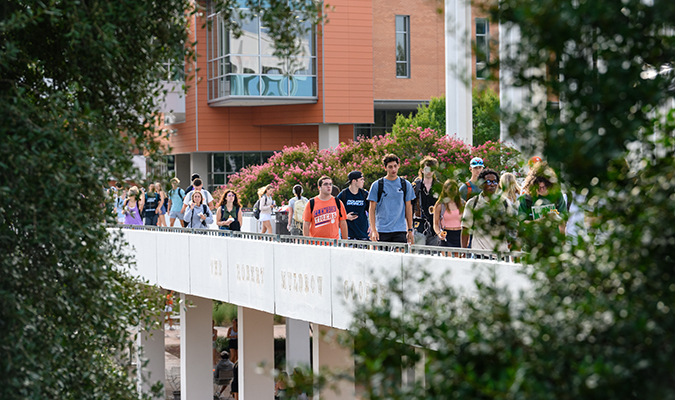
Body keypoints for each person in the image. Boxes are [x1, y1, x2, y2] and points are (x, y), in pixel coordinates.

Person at [461, 169, 517, 252]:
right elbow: (465, 228)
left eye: (495, 182)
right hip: (480, 253)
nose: (492, 185)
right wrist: (463, 251)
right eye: (488, 182)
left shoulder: (505, 202)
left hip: (501, 253)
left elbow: (512, 227)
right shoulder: (473, 203)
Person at [367, 154, 416, 244]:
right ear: (385, 168)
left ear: (398, 166)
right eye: (390, 167)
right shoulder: (377, 185)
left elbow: (408, 208)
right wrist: (373, 230)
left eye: (395, 166)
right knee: (383, 257)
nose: (393, 169)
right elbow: (371, 209)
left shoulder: (406, 184)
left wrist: (409, 229)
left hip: (400, 229)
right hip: (382, 229)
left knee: (400, 256)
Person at [517, 162, 567, 233]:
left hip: (553, 238)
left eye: (544, 186)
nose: (542, 189)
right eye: (538, 187)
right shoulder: (527, 198)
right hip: (533, 239)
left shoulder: (557, 195)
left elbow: (563, 218)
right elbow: (521, 222)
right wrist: (536, 222)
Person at [411, 156, 440, 246]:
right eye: (427, 168)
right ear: (422, 170)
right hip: (418, 226)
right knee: (419, 256)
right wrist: (409, 228)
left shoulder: (439, 187)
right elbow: (410, 206)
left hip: (435, 227)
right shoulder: (415, 186)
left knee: (434, 257)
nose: (429, 171)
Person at [336, 171, 370, 240]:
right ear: (354, 181)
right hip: (348, 234)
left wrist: (372, 226)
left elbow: (371, 211)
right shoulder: (343, 195)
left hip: (363, 233)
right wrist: (346, 217)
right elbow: (335, 212)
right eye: (361, 179)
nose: (363, 181)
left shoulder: (364, 194)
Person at [433, 179, 464, 248]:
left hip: (460, 234)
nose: (452, 192)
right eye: (450, 189)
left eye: (454, 189)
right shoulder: (440, 205)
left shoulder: (462, 203)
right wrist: (439, 233)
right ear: (445, 190)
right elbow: (435, 223)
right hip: (446, 235)